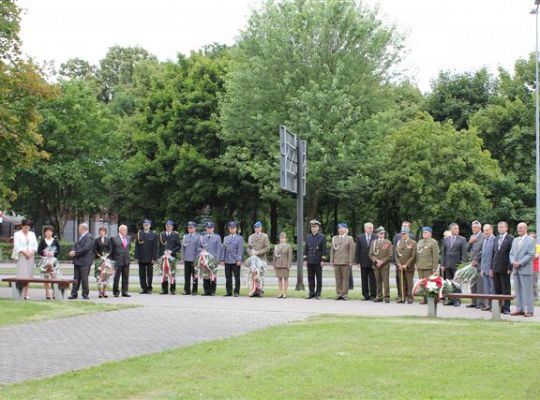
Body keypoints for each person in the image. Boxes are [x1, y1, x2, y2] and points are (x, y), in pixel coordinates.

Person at [509, 222, 535, 317]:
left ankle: (529, 311)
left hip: (525, 269)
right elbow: (511, 253)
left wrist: (520, 263)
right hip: (516, 269)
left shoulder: (531, 240)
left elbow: (531, 254)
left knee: (527, 291)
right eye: (518, 228)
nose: (519, 229)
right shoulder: (515, 240)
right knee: (518, 291)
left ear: (526, 229)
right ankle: (520, 309)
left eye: (521, 228)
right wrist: (513, 262)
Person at [440, 223, 467, 306]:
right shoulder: (446, 239)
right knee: (449, 283)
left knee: (457, 283)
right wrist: (442, 264)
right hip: (447, 265)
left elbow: (464, 254)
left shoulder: (462, 239)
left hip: (457, 265)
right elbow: (443, 253)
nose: (457, 230)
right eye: (455, 228)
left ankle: (457, 300)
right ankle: (450, 299)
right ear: (451, 229)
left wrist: (462, 266)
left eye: (457, 228)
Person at [491, 221, 514, 314]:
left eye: (502, 227)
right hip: (496, 267)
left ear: (506, 228)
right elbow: (494, 254)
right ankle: (498, 308)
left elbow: (511, 254)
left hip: (505, 268)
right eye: (499, 227)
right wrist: (491, 268)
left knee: (506, 289)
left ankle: (507, 308)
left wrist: (510, 267)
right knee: (497, 289)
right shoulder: (496, 239)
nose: (500, 229)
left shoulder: (510, 238)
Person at [13, 219, 38, 300]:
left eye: (27, 227)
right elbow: (17, 245)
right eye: (24, 227)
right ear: (22, 226)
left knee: (28, 275)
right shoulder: (17, 234)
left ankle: (26, 294)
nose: (26, 229)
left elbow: (35, 245)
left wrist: (31, 253)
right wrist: (25, 252)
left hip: (31, 257)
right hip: (22, 257)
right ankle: (20, 292)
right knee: (22, 275)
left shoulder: (32, 234)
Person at [68, 223, 94, 300]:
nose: (78, 230)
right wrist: (72, 250)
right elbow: (75, 245)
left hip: (85, 261)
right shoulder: (80, 237)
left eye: (79, 228)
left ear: (82, 229)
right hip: (77, 261)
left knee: (84, 278)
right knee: (76, 278)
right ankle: (74, 294)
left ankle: (85, 294)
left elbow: (86, 248)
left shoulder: (89, 237)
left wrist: (75, 253)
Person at [330, 223, 355, 300]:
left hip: (345, 261)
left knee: (345, 279)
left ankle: (344, 295)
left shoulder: (349, 239)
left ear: (345, 229)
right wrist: (331, 261)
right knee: (338, 279)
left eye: (342, 228)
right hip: (336, 261)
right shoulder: (335, 238)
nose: (340, 230)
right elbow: (332, 251)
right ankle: (338, 294)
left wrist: (350, 261)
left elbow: (352, 251)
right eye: (339, 228)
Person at [415, 227, 439, 304]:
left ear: (430, 233)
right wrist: (417, 264)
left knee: (429, 283)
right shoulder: (420, 242)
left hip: (429, 266)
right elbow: (417, 255)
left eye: (426, 232)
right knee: (422, 283)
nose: (424, 234)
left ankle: (432, 298)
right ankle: (424, 298)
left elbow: (435, 256)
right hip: (420, 266)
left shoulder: (433, 242)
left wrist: (435, 267)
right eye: (423, 232)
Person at [392, 221, 416, 301]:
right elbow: (396, 253)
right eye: (402, 234)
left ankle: (409, 297)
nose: (403, 235)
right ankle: (401, 296)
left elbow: (413, 255)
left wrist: (407, 264)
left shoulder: (413, 240)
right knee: (400, 281)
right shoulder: (398, 239)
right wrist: (398, 263)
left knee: (409, 282)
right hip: (400, 264)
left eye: (404, 233)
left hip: (408, 265)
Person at [369, 227, 393, 303]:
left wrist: (382, 261)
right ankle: (379, 296)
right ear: (377, 234)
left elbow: (389, 255)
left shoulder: (388, 242)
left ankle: (387, 296)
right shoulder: (373, 242)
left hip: (385, 265)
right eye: (381, 233)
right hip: (376, 265)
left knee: (386, 281)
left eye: (383, 233)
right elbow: (370, 254)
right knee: (378, 281)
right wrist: (376, 261)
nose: (382, 234)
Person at [247, 221, 270, 297]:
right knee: (253, 275)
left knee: (261, 276)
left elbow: (267, 248)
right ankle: (254, 291)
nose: (257, 229)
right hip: (253, 260)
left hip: (261, 259)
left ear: (261, 228)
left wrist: (258, 252)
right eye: (255, 228)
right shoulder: (251, 237)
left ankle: (260, 291)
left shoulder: (265, 236)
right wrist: (251, 253)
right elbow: (248, 248)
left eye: (258, 227)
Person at [199, 221, 223, 296]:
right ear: (206, 228)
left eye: (211, 228)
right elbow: (201, 247)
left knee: (213, 275)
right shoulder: (203, 237)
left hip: (213, 259)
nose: (209, 229)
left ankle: (212, 291)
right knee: (205, 275)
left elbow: (219, 249)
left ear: (213, 229)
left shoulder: (217, 237)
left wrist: (218, 259)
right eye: (208, 228)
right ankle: (206, 291)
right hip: (205, 259)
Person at [304, 219, 326, 300]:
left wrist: (322, 260)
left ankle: (318, 293)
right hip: (310, 260)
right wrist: (305, 259)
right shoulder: (308, 237)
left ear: (318, 227)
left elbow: (324, 250)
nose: (313, 228)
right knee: (310, 277)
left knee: (318, 278)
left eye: (315, 226)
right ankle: (311, 292)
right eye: (312, 227)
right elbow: (306, 248)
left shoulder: (322, 237)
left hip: (317, 260)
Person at [134, 219, 158, 294]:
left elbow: (155, 247)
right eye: (145, 225)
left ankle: (149, 287)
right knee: (142, 274)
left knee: (150, 274)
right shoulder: (139, 234)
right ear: (143, 225)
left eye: (147, 225)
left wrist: (154, 258)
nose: (146, 226)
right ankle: (144, 288)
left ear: (150, 226)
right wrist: (137, 257)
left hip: (150, 258)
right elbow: (137, 246)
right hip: (141, 257)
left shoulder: (153, 235)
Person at [37, 225, 60, 299]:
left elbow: (59, 250)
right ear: (45, 233)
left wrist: (53, 253)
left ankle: (54, 293)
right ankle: (47, 293)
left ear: (52, 232)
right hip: (45, 261)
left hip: (53, 261)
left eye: (50, 231)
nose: (48, 233)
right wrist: (44, 252)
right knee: (46, 277)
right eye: (47, 231)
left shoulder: (55, 241)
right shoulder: (43, 241)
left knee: (54, 277)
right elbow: (39, 251)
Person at [158, 220, 181, 295]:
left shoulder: (176, 235)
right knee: (164, 273)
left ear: (172, 227)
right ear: (165, 226)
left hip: (172, 257)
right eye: (167, 226)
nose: (168, 227)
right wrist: (160, 256)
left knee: (172, 273)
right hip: (163, 257)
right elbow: (160, 247)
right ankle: (164, 290)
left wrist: (172, 251)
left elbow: (178, 246)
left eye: (170, 226)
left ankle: (173, 289)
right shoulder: (162, 234)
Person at [355, 222, 377, 301]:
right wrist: (357, 261)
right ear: (365, 229)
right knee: (364, 279)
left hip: (372, 261)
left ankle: (373, 295)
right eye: (369, 228)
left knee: (373, 279)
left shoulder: (376, 237)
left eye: (372, 228)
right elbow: (357, 250)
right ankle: (365, 295)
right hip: (363, 261)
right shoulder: (360, 237)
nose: (371, 229)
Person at [222, 221, 244, 297]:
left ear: (236, 229)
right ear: (228, 229)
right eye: (230, 228)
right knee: (228, 277)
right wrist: (222, 259)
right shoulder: (225, 238)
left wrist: (239, 259)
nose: (232, 229)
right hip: (227, 260)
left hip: (235, 260)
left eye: (233, 228)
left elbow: (240, 250)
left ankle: (236, 291)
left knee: (237, 277)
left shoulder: (239, 238)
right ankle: (228, 291)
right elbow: (223, 249)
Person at [466, 220, 485, 309]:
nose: (473, 229)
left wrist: (476, 260)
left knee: (480, 284)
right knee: (473, 283)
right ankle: (473, 301)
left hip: (480, 263)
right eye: (472, 227)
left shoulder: (484, 236)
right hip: (472, 264)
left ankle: (480, 303)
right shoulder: (472, 236)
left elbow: (483, 251)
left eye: (475, 227)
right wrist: (470, 242)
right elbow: (466, 249)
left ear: (479, 228)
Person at [110, 224, 132, 297]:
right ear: (120, 230)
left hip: (126, 260)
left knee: (126, 277)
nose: (126, 231)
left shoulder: (128, 238)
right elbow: (111, 251)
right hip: (117, 261)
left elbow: (128, 249)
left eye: (126, 230)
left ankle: (125, 291)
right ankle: (116, 291)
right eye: (124, 230)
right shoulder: (114, 238)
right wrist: (112, 262)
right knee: (116, 277)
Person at [479, 224, 496, 311]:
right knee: (486, 288)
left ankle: (493, 306)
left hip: (490, 269)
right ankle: (487, 305)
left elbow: (494, 256)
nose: (485, 232)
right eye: (484, 230)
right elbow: (483, 256)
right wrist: (482, 268)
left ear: (491, 230)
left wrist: (491, 268)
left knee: (492, 288)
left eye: (487, 230)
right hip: (484, 268)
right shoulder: (485, 240)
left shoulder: (494, 240)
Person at [182, 221, 200, 295]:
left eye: (191, 228)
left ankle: (194, 290)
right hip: (187, 259)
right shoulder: (185, 236)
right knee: (186, 276)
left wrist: (197, 258)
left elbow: (199, 249)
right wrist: (182, 257)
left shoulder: (198, 237)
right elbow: (183, 248)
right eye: (188, 228)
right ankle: (187, 290)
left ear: (195, 228)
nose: (189, 229)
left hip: (194, 259)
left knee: (194, 276)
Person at [94, 225, 112, 298]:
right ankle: (99, 292)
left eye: (103, 231)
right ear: (99, 232)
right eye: (101, 231)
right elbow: (94, 250)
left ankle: (104, 292)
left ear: (105, 232)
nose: (102, 232)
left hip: (106, 260)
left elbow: (110, 249)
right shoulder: (96, 240)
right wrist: (100, 256)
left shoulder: (108, 240)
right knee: (99, 276)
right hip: (99, 260)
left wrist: (107, 255)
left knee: (106, 276)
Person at [273, 232, 292, 299]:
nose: (282, 239)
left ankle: (285, 293)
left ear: (286, 239)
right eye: (281, 238)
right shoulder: (276, 246)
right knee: (279, 279)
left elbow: (289, 257)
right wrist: (274, 265)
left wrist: (289, 265)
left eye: (283, 238)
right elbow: (274, 257)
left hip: (285, 265)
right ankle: (280, 292)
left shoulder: (288, 246)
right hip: (278, 265)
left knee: (286, 279)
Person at [531, 232, 539, 301]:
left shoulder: (537, 246)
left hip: (534, 268)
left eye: (532, 237)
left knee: (534, 283)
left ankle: (536, 297)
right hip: (527, 268)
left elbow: (536, 256)